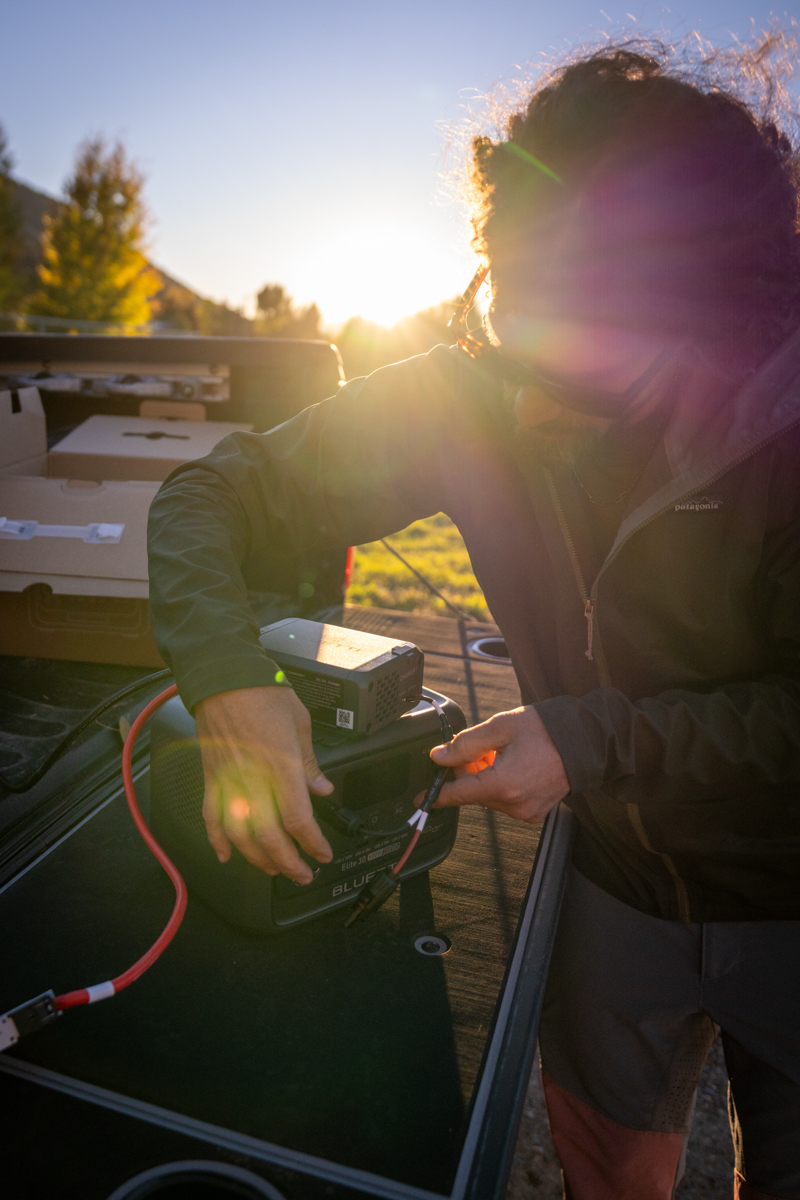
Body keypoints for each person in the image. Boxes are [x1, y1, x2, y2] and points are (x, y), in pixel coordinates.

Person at [148, 39, 800, 1200]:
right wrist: (225, 677)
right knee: (604, 1172)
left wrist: (592, 739)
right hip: (608, 890)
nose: (536, 394)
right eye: (518, 319)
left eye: (596, 359)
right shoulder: (477, 387)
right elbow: (212, 489)